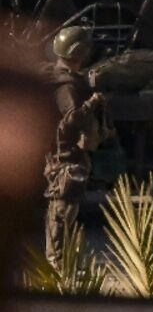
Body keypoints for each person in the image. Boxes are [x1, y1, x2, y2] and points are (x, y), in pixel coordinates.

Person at [43, 25, 107, 264]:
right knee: (61, 212)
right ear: (78, 51)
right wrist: (91, 103)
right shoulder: (66, 86)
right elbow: (71, 120)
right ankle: (57, 265)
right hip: (65, 158)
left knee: (66, 213)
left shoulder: (69, 79)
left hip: (68, 156)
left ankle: (62, 263)